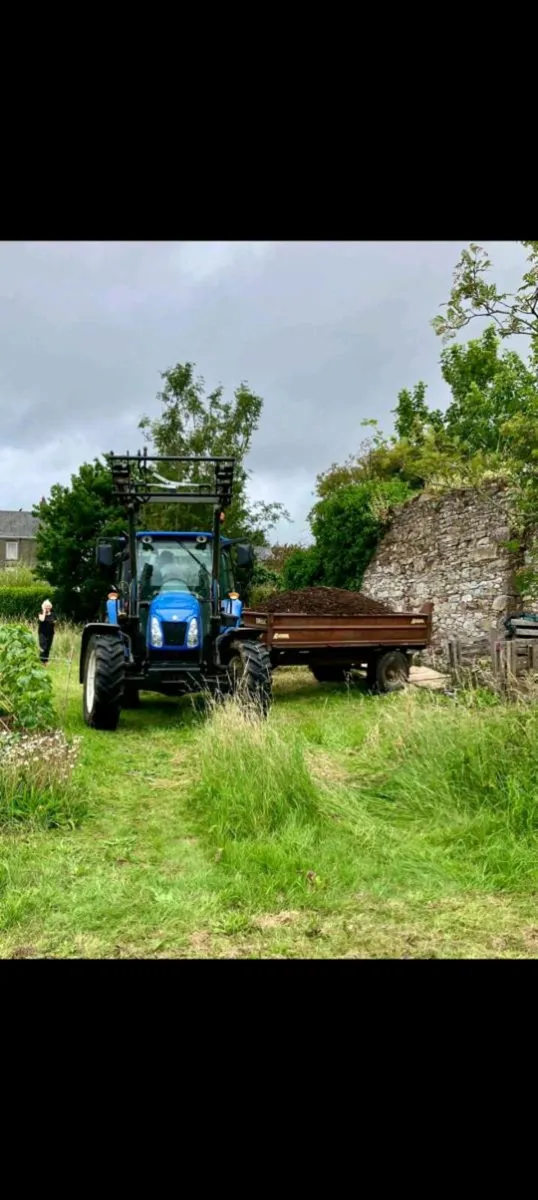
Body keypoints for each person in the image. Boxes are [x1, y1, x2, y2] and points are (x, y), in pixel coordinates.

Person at [38, 599, 55, 665]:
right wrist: (44, 611)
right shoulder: (40, 613)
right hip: (42, 633)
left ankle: (46, 661)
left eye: (48, 606)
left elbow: (54, 623)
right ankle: (41, 661)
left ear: (50, 607)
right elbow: (42, 619)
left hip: (50, 633)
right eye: (46, 606)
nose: (47, 607)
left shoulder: (53, 614)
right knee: (43, 647)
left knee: (48, 647)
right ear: (43, 607)